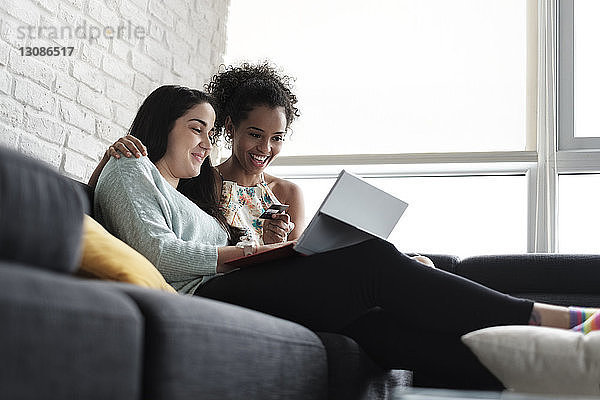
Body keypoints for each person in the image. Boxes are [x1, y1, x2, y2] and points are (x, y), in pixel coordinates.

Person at [95, 84, 599, 390]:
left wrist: (278, 247)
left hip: (230, 283)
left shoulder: (190, 190)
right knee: (372, 261)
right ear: (162, 125)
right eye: (197, 129)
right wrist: (254, 252)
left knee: (376, 329)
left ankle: (555, 372)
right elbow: (159, 254)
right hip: (201, 294)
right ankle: (557, 318)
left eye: (210, 133)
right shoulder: (129, 168)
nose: (208, 144)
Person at [90, 62, 304, 246]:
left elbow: (295, 266)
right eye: (256, 135)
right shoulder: (198, 179)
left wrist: (273, 245)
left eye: (277, 138)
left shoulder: (288, 193)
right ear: (230, 127)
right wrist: (110, 159)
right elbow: (113, 204)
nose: (265, 148)